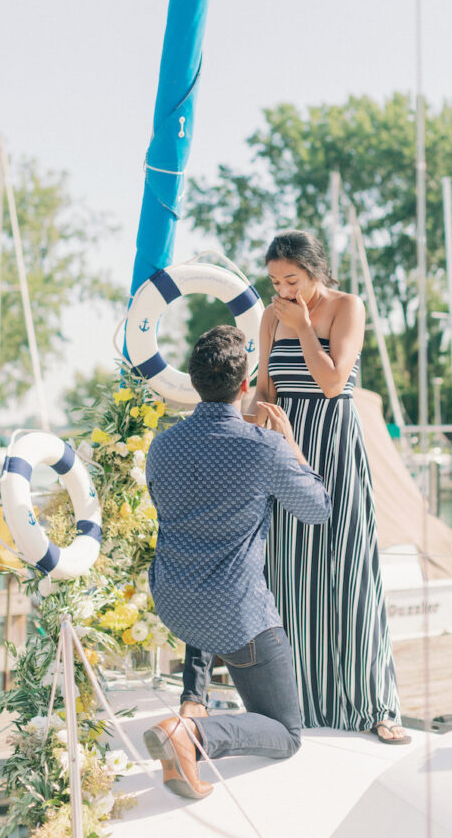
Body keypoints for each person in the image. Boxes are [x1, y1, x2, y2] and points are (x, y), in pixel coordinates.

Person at [184, 230, 408, 744]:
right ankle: (302, 703)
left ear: (316, 272)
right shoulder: (270, 317)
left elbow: (333, 383)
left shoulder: (347, 307)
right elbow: (265, 388)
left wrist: (305, 327)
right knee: (291, 578)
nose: (283, 290)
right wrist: (247, 430)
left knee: (350, 577)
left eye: (292, 280)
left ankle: (375, 704)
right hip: (283, 450)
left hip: (336, 450)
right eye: (275, 281)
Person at [144, 324, 331, 798]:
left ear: (194, 381)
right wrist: (288, 444)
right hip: (235, 615)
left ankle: (192, 706)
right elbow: (317, 509)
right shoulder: (263, 447)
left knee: (207, 569)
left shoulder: (161, 445)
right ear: (245, 385)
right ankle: (193, 734)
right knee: (287, 733)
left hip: (174, 603)